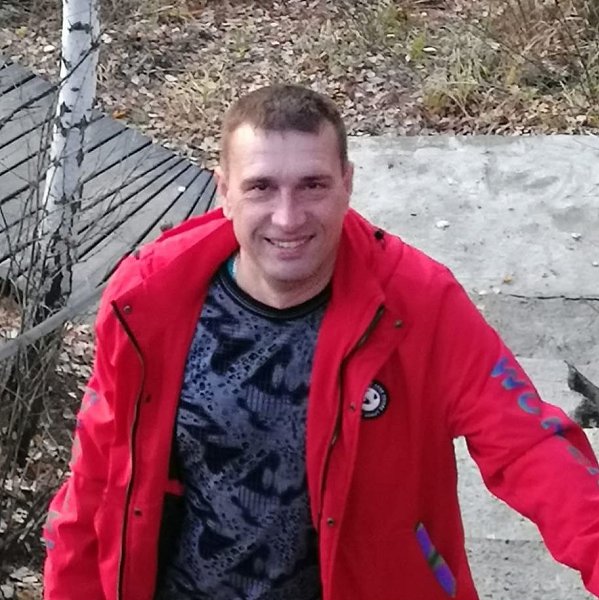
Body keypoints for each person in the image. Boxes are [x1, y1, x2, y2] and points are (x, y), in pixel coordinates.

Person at [43, 84, 599, 600]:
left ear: (347, 184)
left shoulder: (419, 304)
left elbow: (530, 443)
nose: (288, 218)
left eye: (313, 185)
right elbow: (96, 482)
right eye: (261, 187)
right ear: (224, 192)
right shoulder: (149, 302)